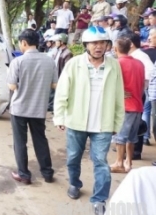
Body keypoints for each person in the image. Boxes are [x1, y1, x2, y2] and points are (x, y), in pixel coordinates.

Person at [53, 26, 124, 214]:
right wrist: (59, 116)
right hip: (76, 121)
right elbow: (62, 92)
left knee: (101, 161)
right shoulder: (74, 64)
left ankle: (99, 199)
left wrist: (117, 122)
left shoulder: (114, 65)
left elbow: (119, 95)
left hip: (103, 124)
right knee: (73, 157)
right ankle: (75, 183)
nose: (98, 46)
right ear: (86, 45)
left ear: (108, 45)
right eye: (94, 43)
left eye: (102, 42)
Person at [7, 29, 58, 184]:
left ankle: (24, 174)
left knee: (20, 142)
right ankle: (47, 173)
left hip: (19, 109)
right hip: (38, 108)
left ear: (24, 43)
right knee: (40, 140)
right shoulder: (50, 61)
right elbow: (54, 84)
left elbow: (11, 86)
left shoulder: (18, 62)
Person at [109, 37, 144, 174]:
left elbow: (112, 84)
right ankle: (128, 162)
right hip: (137, 104)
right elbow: (142, 86)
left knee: (120, 136)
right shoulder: (140, 64)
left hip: (125, 106)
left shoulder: (117, 64)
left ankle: (119, 162)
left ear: (115, 49)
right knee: (132, 137)